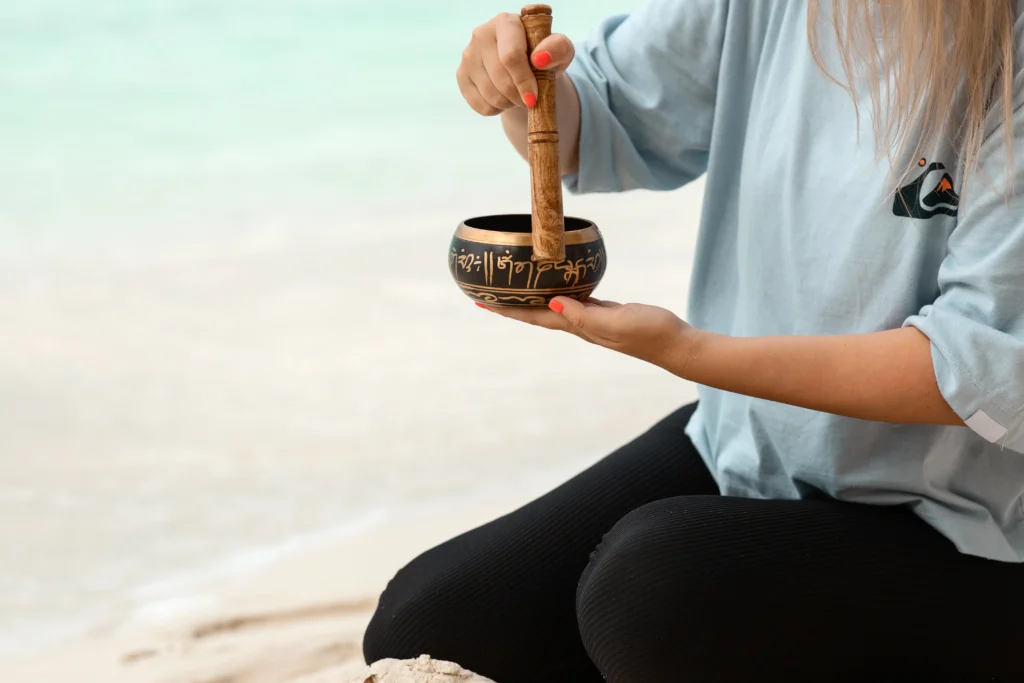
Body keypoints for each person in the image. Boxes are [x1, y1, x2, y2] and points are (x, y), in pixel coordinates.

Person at [364, 1, 1024, 681]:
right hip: (746, 441)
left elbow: (982, 362)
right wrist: (520, 88)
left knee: (648, 590)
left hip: (958, 522)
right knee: (428, 625)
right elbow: (605, 110)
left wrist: (686, 351)